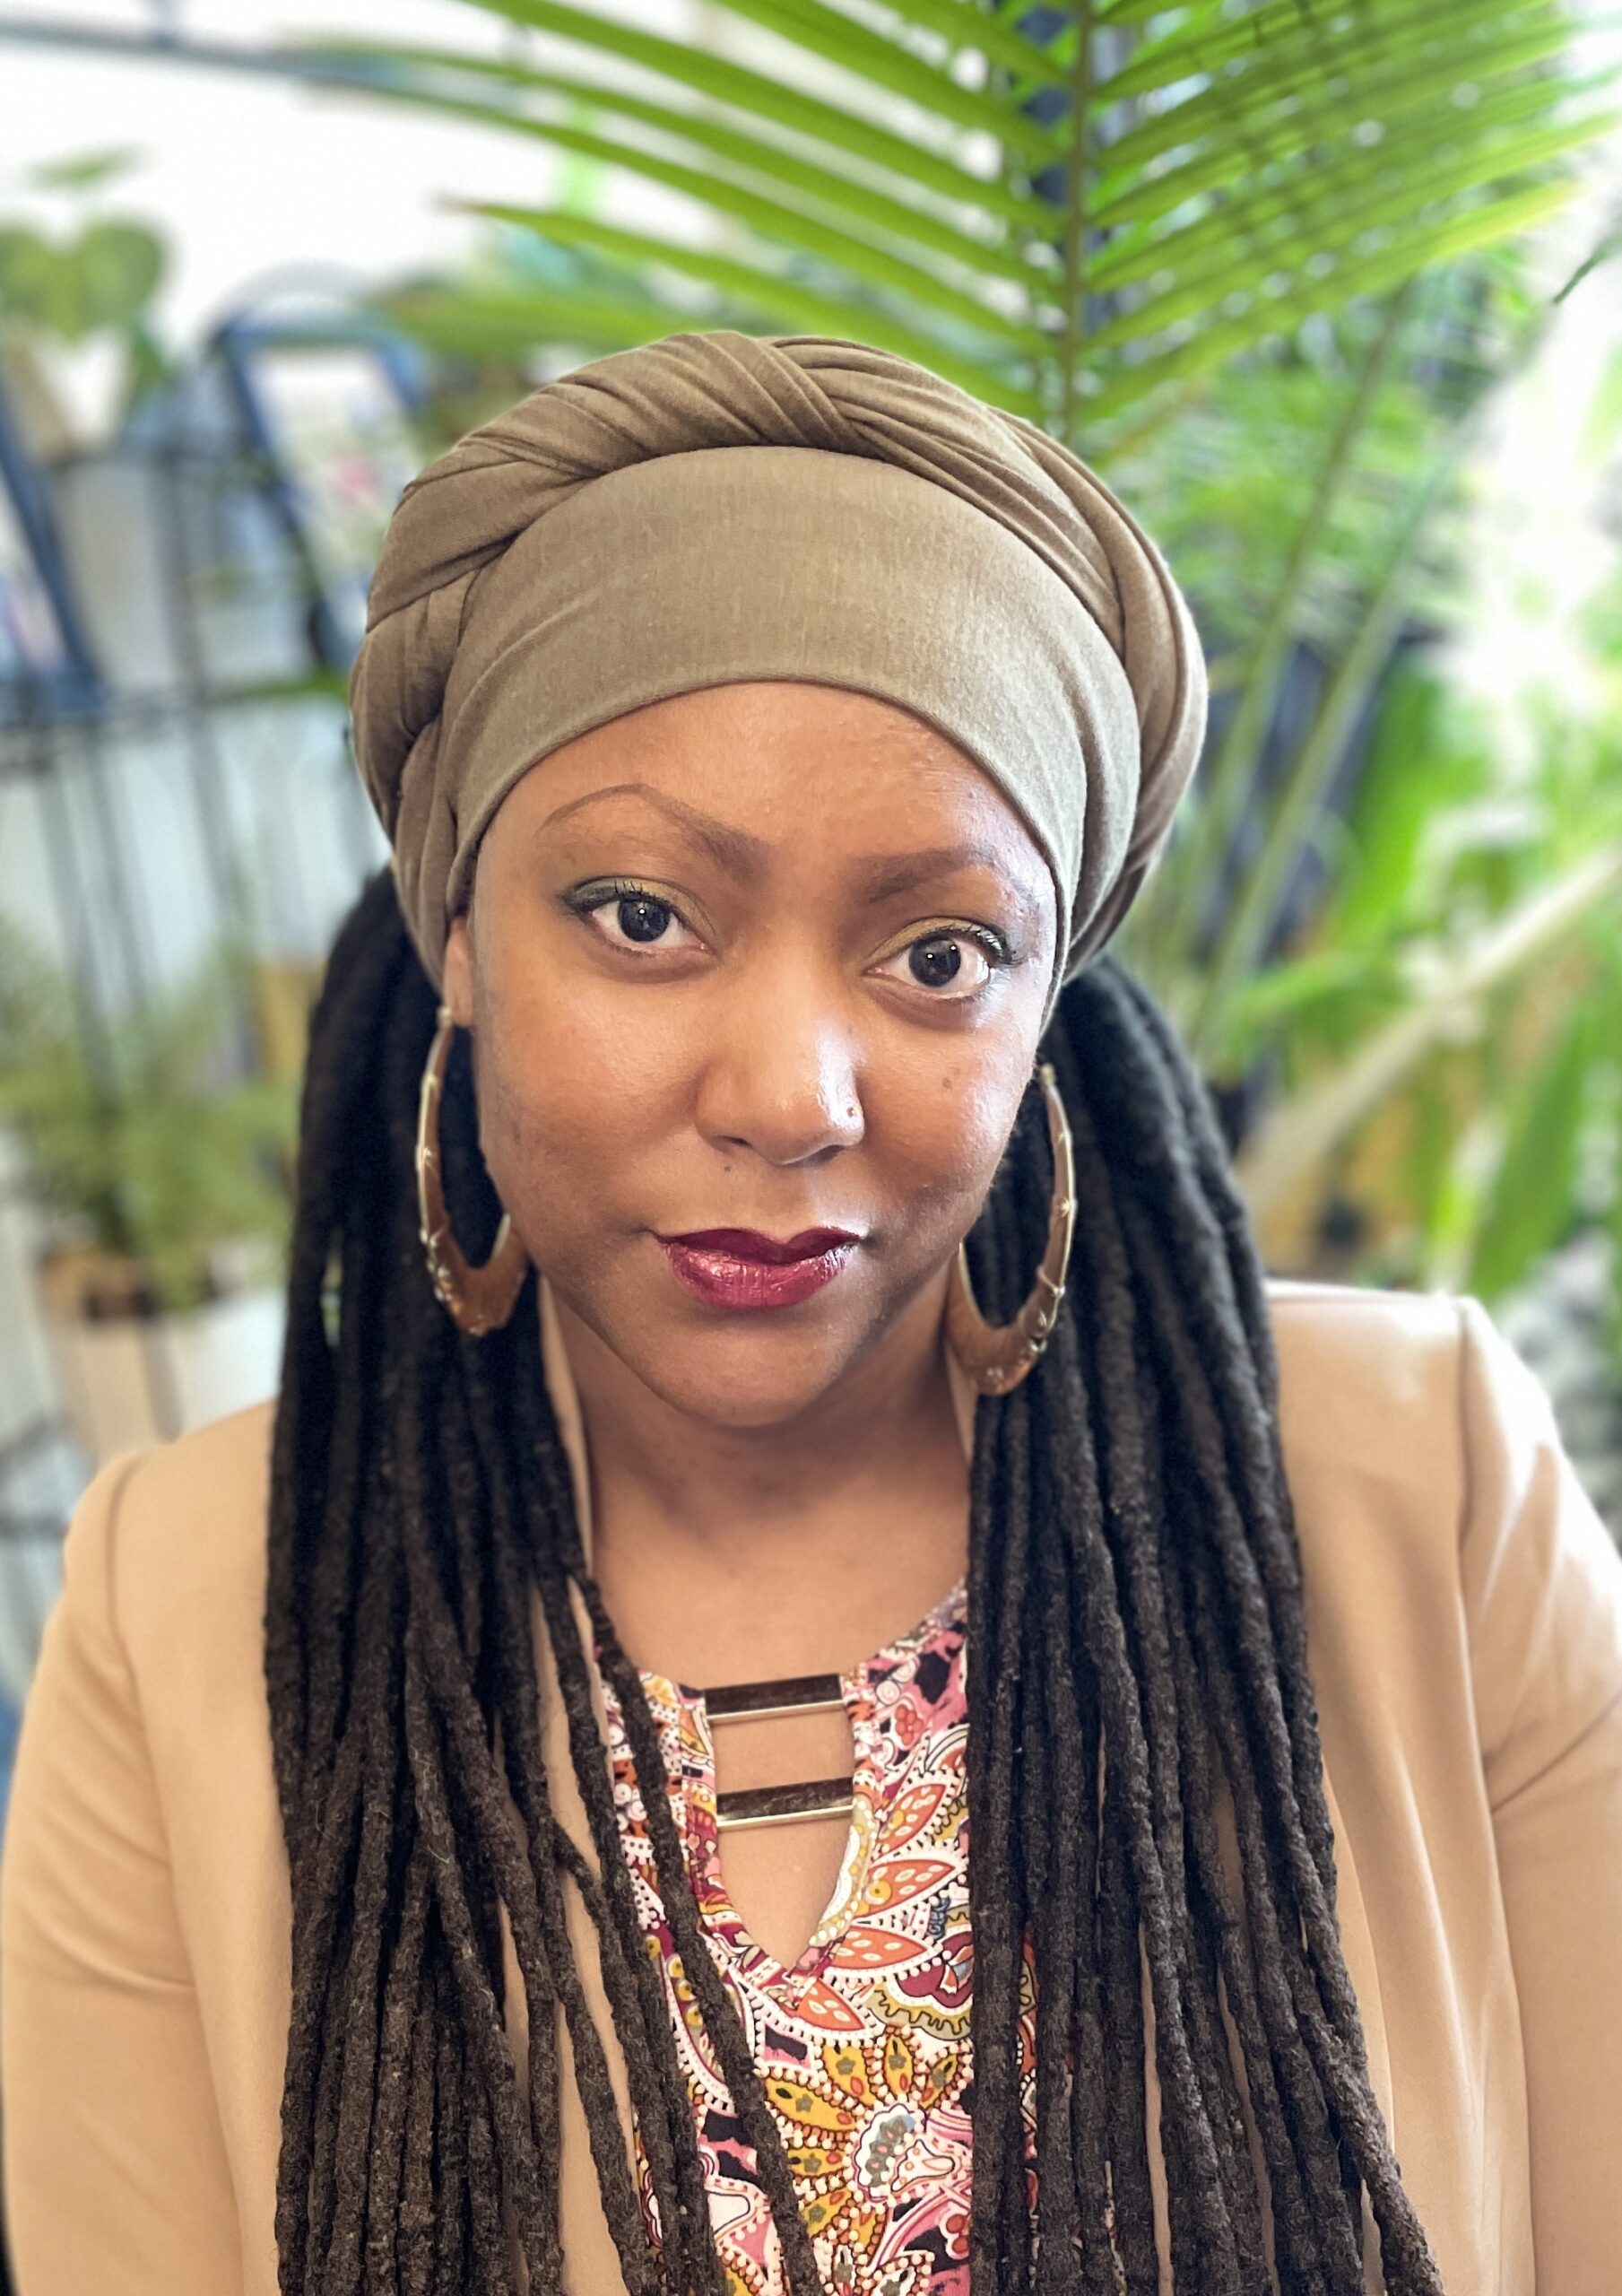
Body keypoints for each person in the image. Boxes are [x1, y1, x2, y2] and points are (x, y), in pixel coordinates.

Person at [2, 329, 1620, 2296]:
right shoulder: (179, 1602)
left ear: (1044, 1012)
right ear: (460, 939)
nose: (789, 1097)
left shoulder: (1419, 1486)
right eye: (642, 917)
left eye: (938, 953)